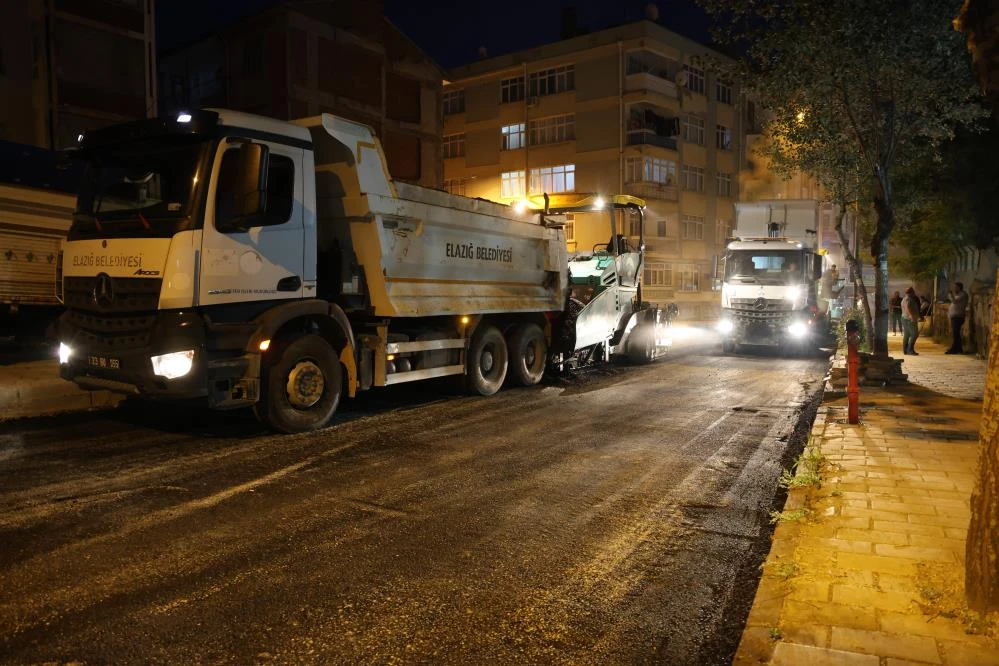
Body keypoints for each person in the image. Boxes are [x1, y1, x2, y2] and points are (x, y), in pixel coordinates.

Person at [946, 281, 969, 354]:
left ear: (959, 287)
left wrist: (950, 294)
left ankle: (954, 349)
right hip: (954, 316)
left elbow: (954, 301)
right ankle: (958, 348)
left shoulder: (963, 294)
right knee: (955, 333)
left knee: (956, 333)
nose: (954, 288)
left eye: (955, 287)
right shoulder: (958, 294)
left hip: (958, 316)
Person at [901, 286, 921, 355]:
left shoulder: (904, 299)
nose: (914, 293)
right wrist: (912, 316)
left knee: (907, 334)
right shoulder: (909, 299)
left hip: (905, 318)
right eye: (913, 292)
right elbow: (908, 307)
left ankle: (905, 350)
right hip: (910, 319)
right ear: (911, 292)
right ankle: (910, 349)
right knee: (914, 334)